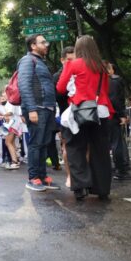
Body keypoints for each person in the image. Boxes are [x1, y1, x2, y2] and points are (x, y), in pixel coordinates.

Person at [56, 35, 113, 201]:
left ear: (78, 48)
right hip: (101, 111)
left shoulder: (72, 64)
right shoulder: (102, 66)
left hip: (79, 111)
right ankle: (102, 188)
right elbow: (106, 90)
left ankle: (81, 187)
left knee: (75, 148)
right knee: (100, 150)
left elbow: (60, 88)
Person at [17, 34, 60, 192]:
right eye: (43, 42)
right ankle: (33, 178)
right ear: (33, 46)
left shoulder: (42, 62)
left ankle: (42, 177)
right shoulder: (28, 60)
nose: (46, 45)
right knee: (36, 144)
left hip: (48, 109)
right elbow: (24, 85)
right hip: (38, 108)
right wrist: (31, 109)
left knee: (44, 144)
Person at [106, 62, 131, 180]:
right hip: (112, 116)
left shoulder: (100, 81)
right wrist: (122, 115)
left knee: (110, 144)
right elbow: (115, 100)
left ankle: (114, 169)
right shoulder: (114, 81)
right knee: (117, 143)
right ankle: (121, 170)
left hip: (103, 115)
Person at [53, 46, 75, 187]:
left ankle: (83, 175)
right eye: (69, 60)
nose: (72, 63)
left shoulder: (81, 71)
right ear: (62, 60)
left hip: (82, 115)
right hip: (66, 117)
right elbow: (58, 95)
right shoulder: (57, 77)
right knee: (67, 148)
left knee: (86, 147)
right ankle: (69, 176)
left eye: (75, 59)